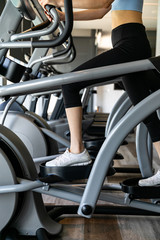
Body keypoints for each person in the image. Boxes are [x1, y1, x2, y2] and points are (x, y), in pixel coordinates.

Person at [38, 0, 160, 187]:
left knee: (70, 83)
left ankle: (76, 150)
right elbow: (102, 10)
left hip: (130, 42)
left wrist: (58, 1)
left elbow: (101, 2)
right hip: (129, 41)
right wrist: (64, 15)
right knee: (146, 112)